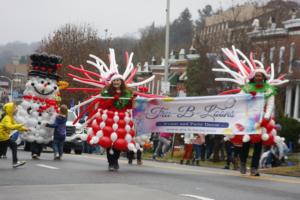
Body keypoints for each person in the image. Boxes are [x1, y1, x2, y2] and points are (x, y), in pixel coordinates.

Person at [239, 70, 276, 176]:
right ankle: (242, 162)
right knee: (246, 142)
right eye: (256, 76)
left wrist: (266, 117)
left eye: (260, 76)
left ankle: (254, 168)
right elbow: (239, 99)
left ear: (263, 77)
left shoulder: (268, 89)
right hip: (248, 118)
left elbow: (270, 104)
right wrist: (248, 96)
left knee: (258, 144)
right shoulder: (247, 88)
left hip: (261, 118)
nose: (257, 78)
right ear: (253, 78)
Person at [100, 75, 135, 171]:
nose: (116, 82)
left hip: (122, 119)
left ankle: (115, 160)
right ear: (112, 82)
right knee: (109, 142)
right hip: (110, 119)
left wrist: (132, 100)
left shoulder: (127, 92)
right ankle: (110, 162)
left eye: (118, 80)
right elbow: (103, 105)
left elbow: (129, 107)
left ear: (121, 82)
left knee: (119, 142)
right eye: (114, 80)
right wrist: (112, 99)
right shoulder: (107, 92)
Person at [0, 102, 28, 168]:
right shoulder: (7, 117)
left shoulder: (10, 117)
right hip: (2, 135)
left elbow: (15, 125)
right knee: (14, 145)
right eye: (14, 108)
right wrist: (21, 124)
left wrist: (25, 129)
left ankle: (15, 162)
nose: (16, 109)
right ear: (10, 109)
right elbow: (10, 126)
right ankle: (15, 162)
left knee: (1, 151)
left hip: (3, 136)